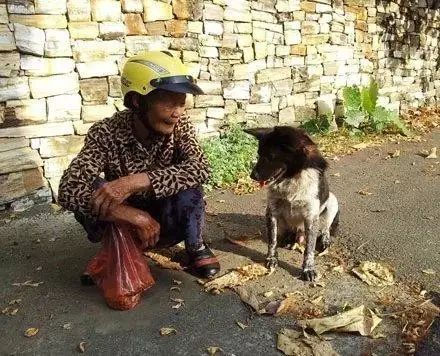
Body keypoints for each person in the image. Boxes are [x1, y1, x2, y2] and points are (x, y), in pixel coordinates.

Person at [58, 51, 220, 280]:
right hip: (125, 223)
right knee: (93, 187)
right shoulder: (106, 132)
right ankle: (116, 248)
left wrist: (135, 181)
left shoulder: (181, 125)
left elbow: (201, 167)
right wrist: (127, 214)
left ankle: (195, 246)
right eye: (168, 101)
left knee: (190, 186)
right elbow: (68, 187)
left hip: (167, 221)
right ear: (137, 101)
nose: (178, 112)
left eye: (181, 101)